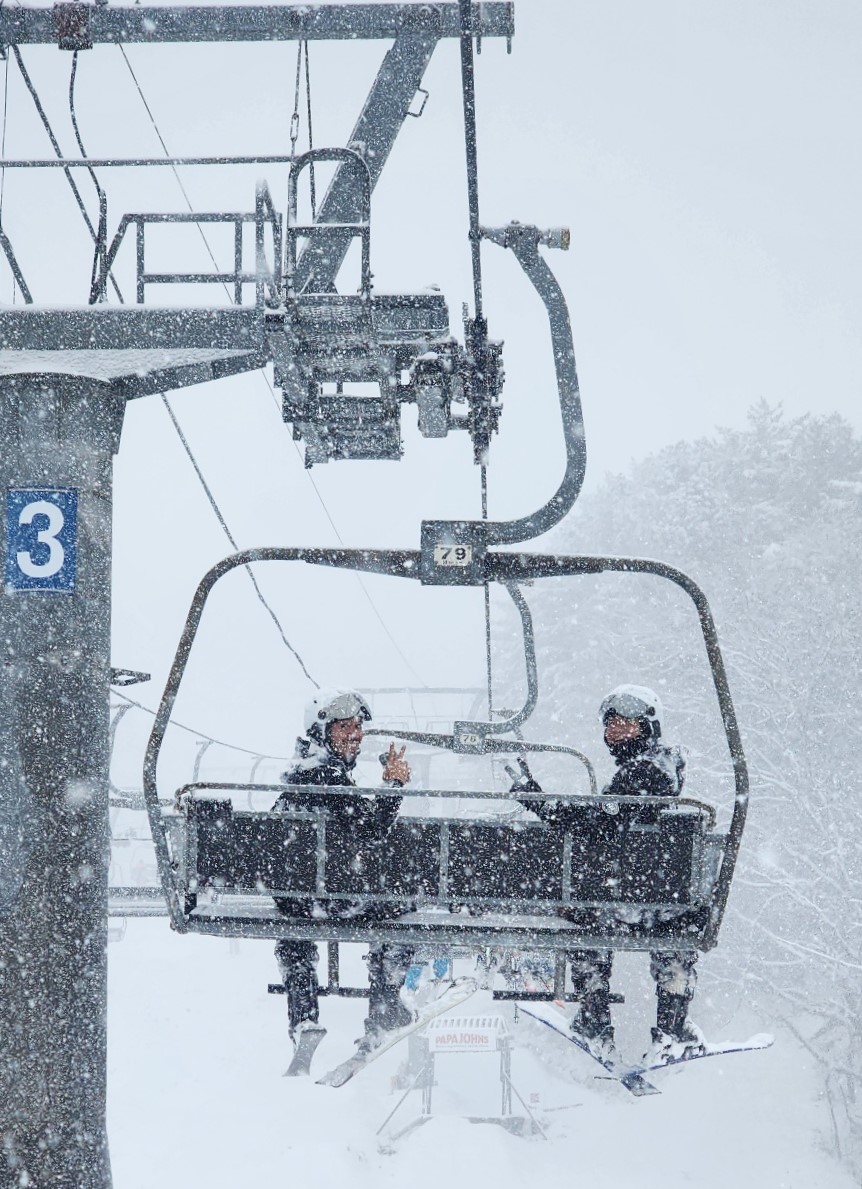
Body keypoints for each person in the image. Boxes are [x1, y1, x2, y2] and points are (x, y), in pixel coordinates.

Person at [513, 684, 704, 1062]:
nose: (614, 732)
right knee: (669, 946)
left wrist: (537, 801)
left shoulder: (646, 773)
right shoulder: (655, 771)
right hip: (662, 903)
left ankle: (595, 1022)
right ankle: (670, 1027)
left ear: (648, 726)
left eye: (625, 724)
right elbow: (609, 822)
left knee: (585, 925)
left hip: (633, 901)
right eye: (610, 725)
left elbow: (596, 823)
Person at [273, 687, 415, 1069]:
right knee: (405, 907)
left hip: (299, 902)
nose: (355, 734)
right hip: (338, 900)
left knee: (293, 927)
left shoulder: (295, 777)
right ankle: (383, 1007)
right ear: (322, 733)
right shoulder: (327, 778)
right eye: (344, 727)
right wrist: (394, 785)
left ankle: (304, 1015)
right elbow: (372, 828)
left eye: (358, 726)